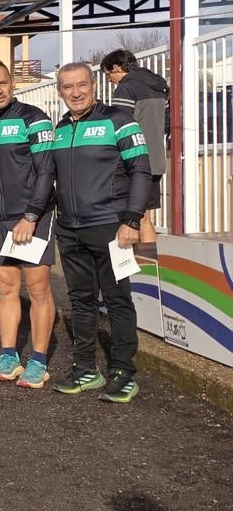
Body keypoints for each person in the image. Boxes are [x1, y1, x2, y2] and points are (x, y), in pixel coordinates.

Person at [51, 62, 152, 403]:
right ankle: (85, 369)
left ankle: (123, 371)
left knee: (117, 300)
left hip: (112, 228)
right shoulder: (60, 129)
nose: (75, 92)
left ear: (94, 85)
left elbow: (141, 170)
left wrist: (132, 220)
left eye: (81, 85)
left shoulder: (119, 121)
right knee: (80, 301)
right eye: (68, 87)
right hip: (70, 230)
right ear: (60, 91)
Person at [0, 61, 58, 390]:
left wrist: (31, 215)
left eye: (3, 83)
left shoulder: (33, 118)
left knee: (38, 290)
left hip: (32, 217)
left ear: (12, 83)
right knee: (7, 288)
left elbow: (46, 171)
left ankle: (38, 361)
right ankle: (9, 356)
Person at [101, 49, 168, 245]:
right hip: (156, 160)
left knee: (135, 218)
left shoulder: (126, 88)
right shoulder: (159, 86)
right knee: (146, 218)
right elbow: (166, 123)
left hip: (134, 160)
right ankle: (149, 268)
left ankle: (141, 267)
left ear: (116, 67)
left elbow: (121, 124)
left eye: (108, 74)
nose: (110, 80)